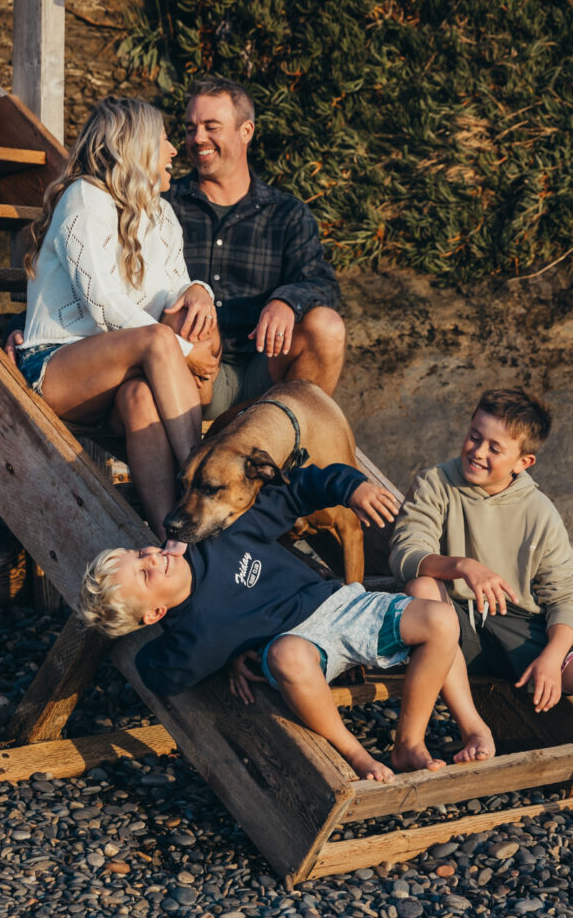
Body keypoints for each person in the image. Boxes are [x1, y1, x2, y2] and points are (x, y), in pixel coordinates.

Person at [78, 463, 495, 781]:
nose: (153, 558)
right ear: (154, 614)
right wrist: (226, 660)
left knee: (441, 618)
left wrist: (352, 486)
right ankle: (355, 753)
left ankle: (408, 742)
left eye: (139, 555)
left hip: (341, 606)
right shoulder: (193, 634)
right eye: (146, 575)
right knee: (287, 654)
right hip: (301, 649)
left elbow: (295, 491)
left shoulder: (222, 536)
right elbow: (156, 673)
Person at [13, 96, 220, 540]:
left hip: (117, 379)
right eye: (164, 140)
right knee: (158, 342)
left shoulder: (161, 214)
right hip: (56, 368)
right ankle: (202, 479)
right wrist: (184, 350)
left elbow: (175, 287)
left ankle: (178, 541)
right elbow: (103, 304)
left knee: (141, 400)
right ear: (134, 146)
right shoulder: (84, 198)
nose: (172, 150)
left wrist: (201, 291)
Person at [167, 76, 346, 418]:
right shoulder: (164, 206)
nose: (197, 138)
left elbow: (322, 283)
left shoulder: (287, 213)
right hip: (191, 374)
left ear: (245, 131)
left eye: (211, 126)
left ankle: (289, 446)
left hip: (267, 374)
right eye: (191, 128)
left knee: (327, 326)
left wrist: (285, 301)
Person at [389, 387, 573, 714]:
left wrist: (552, 656)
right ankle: (472, 723)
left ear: (523, 462)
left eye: (494, 448)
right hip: (454, 621)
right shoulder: (435, 483)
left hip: (519, 624)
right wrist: (462, 566)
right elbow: (405, 553)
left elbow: (563, 595)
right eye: (474, 437)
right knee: (421, 587)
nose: (477, 451)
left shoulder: (540, 511)